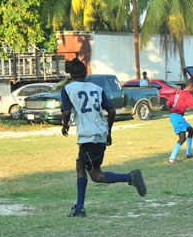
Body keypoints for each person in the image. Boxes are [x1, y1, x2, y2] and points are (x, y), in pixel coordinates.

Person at [61, 58, 145, 217]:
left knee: (96, 176)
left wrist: (65, 125)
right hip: (99, 133)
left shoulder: (68, 88)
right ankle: (79, 208)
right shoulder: (97, 88)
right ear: (86, 73)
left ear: (70, 74)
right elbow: (112, 111)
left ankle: (130, 177)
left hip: (88, 137)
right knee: (80, 165)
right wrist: (109, 132)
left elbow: (66, 112)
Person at [165, 79, 193, 163]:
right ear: (190, 87)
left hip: (177, 116)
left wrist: (172, 111)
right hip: (177, 117)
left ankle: (188, 154)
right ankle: (171, 158)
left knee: (191, 130)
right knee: (182, 137)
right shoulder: (187, 94)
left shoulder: (179, 93)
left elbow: (168, 103)